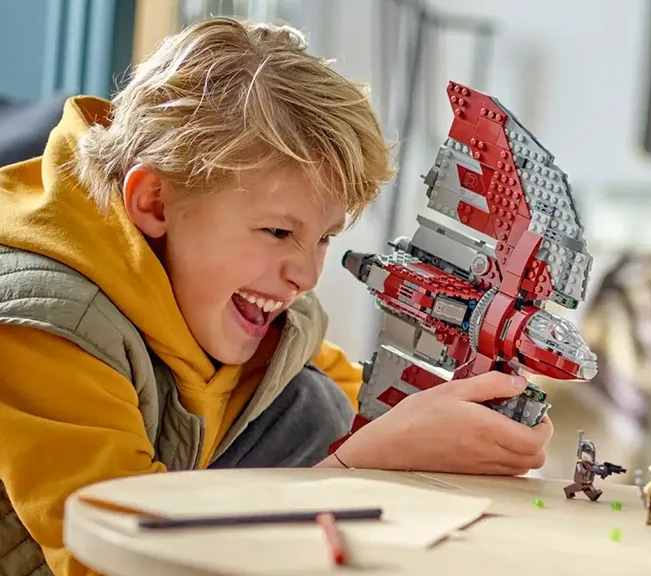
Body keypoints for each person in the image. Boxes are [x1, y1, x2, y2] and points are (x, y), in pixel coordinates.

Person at [0, 17, 552, 576]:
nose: (306, 275)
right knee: (317, 418)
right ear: (156, 203)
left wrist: (452, 428)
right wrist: (354, 470)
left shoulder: (247, 306)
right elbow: (112, 559)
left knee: (315, 402)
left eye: (324, 237)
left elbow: (365, 409)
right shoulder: (49, 323)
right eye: (278, 231)